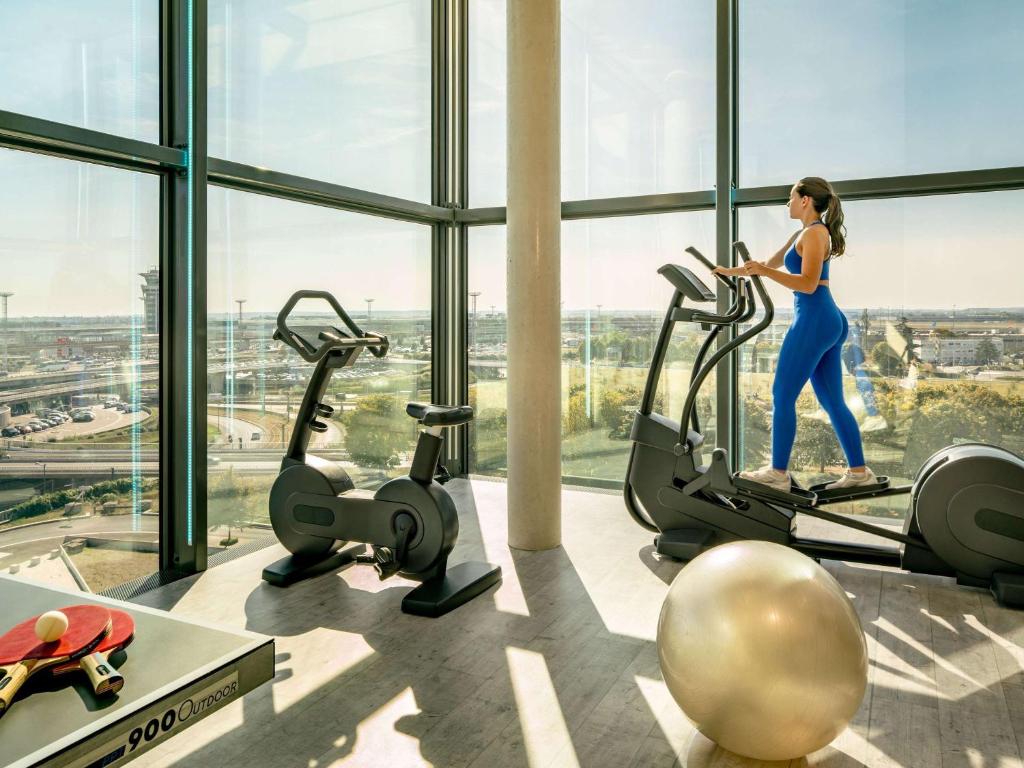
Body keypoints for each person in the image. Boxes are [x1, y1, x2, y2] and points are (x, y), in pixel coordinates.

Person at [713, 176, 876, 492]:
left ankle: (778, 473)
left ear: (805, 200)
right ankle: (859, 472)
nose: (787, 203)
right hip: (825, 319)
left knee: (782, 394)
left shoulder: (816, 233)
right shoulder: (800, 234)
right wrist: (729, 272)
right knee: (832, 401)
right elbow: (762, 265)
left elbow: (808, 283)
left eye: (790, 197)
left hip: (815, 319)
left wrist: (766, 272)